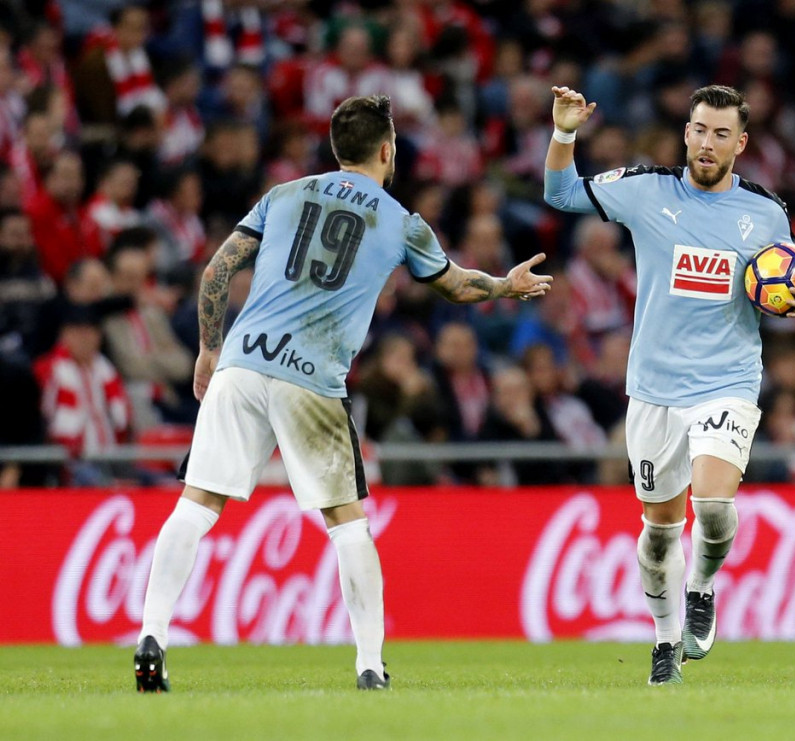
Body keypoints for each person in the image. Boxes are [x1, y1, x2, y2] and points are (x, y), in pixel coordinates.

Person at [134, 94, 551, 693]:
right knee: (348, 524)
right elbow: (457, 287)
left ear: (336, 149)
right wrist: (506, 287)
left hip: (243, 363)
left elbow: (216, 273)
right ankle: (369, 664)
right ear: (387, 150)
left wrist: (207, 349)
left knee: (196, 505)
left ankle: (153, 634)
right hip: (312, 377)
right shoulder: (403, 221)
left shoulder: (283, 195)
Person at [543, 84, 795, 685]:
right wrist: (565, 132)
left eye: (722, 134)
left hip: (727, 380)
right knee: (658, 534)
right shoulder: (646, 189)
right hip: (653, 388)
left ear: (741, 142)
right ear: (686, 133)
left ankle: (702, 586)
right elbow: (558, 193)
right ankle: (664, 641)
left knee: (712, 502)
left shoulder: (765, 213)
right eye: (700, 130)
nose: (708, 143)